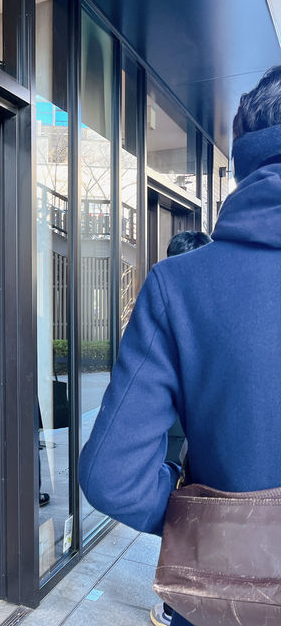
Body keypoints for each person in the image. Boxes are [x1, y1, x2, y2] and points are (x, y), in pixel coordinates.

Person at [79, 64, 281, 626]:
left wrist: (196, 510)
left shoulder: (180, 285)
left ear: (243, 160)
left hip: (227, 602)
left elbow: (110, 476)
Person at [149, 231, 211, 626]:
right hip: (191, 436)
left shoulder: (166, 303)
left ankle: (176, 604)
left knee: (181, 514)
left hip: (175, 433)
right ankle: (177, 603)